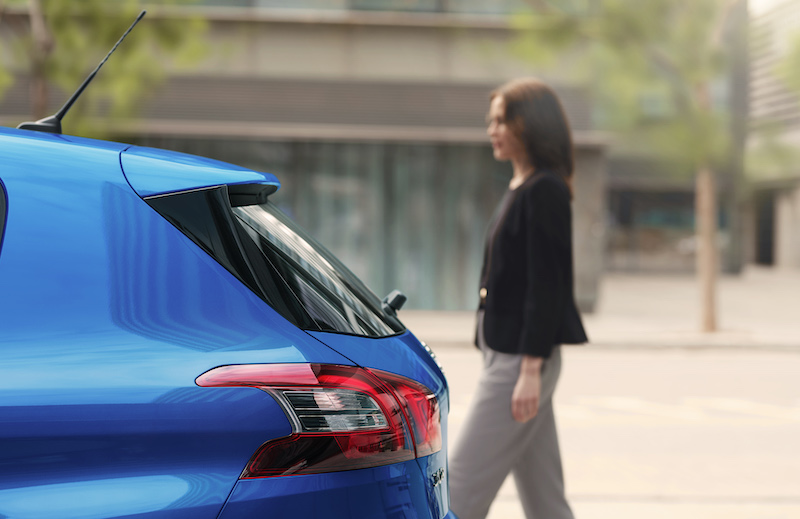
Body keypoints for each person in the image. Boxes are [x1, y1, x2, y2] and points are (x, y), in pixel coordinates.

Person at [449, 77, 588, 519]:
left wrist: (530, 370)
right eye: (490, 121)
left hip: (520, 362)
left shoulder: (544, 189)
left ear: (528, 125)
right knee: (545, 499)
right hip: (507, 354)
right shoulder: (523, 185)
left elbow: (547, 285)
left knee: (459, 487)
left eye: (500, 121)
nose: (491, 130)